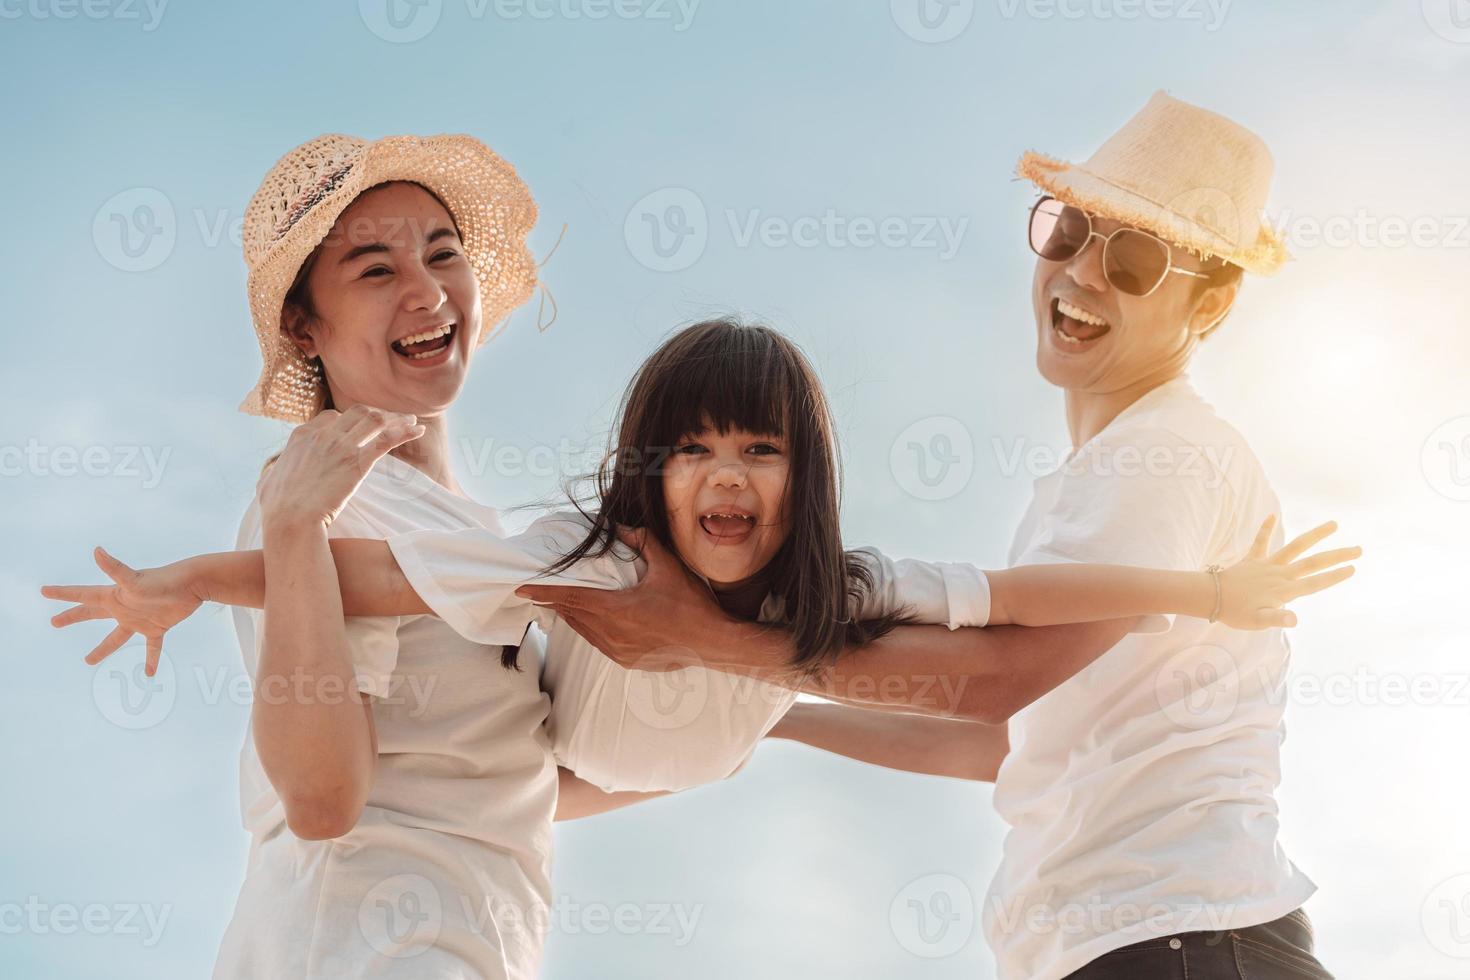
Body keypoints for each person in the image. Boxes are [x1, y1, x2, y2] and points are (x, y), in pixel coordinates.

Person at [513, 93, 1349, 978]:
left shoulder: (1161, 456)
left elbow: (998, 680)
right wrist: (773, 717)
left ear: (1209, 310)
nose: (1083, 276)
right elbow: (1003, 740)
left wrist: (711, 643)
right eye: (1069, 233)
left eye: (1136, 261)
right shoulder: (1106, 475)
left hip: (1176, 939)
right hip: (1140, 942)